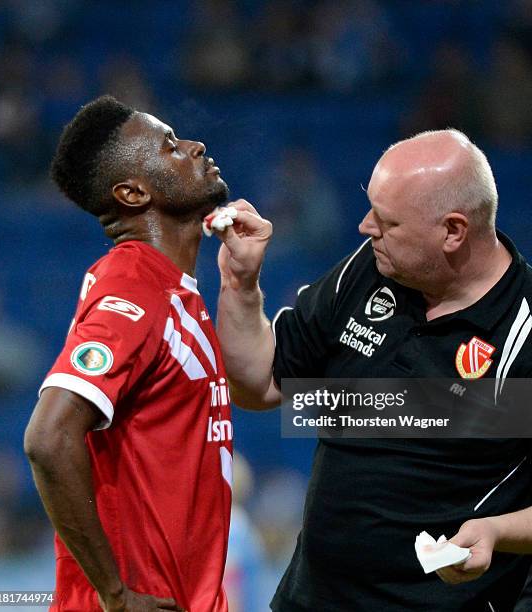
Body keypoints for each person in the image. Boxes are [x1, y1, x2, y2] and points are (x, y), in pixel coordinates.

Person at [214, 129, 532, 611]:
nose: (365, 227)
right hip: (310, 599)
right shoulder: (371, 268)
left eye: (387, 222)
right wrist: (241, 284)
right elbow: (259, 385)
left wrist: (497, 530)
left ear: (452, 231)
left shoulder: (524, 331)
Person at [24, 95, 233, 612]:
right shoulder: (134, 285)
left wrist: (244, 286)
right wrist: (114, 595)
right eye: (169, 145)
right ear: (133, 193)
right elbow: (48, 438)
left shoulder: (171, 290)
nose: (193, 145)